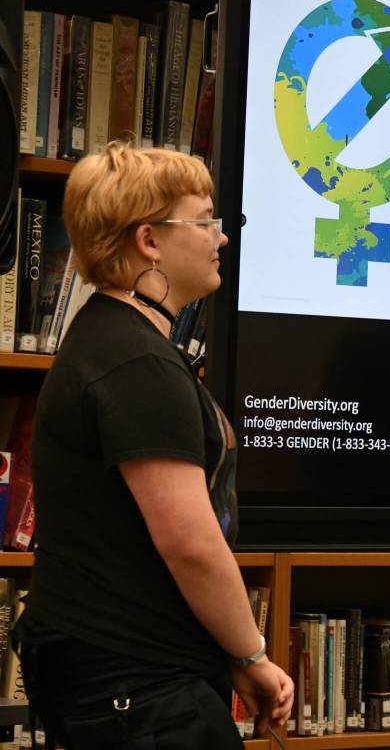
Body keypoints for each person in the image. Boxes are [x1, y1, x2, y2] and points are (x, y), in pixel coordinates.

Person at [13, 142, 294, 749]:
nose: (220, 238)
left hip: (125, 673)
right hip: (137, 686)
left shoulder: (111, 340)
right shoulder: (135, 361)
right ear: (149, 240)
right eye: (205, 221)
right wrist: (253, 650)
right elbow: (189, 542)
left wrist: (234, 660)